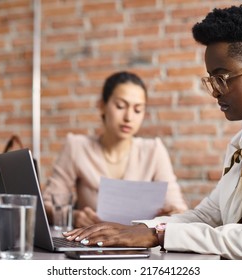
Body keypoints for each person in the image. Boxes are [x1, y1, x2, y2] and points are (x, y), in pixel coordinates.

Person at [63, 5, 242, 259]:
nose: (215, 92)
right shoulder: (240, 143)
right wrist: (138, 229)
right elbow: (207, 215)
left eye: (223, 78)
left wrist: (157, 236)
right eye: (211, 80)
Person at [42, 71, 188, 228]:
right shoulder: (77, 147)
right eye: (120, 106)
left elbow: (179, 209)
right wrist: (72, 216)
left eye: (138, 110)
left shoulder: (153, 151)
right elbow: (46, 206)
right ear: (102, 106)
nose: (129, 117)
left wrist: (171, 215)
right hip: (91, 245)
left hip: (140, 247)